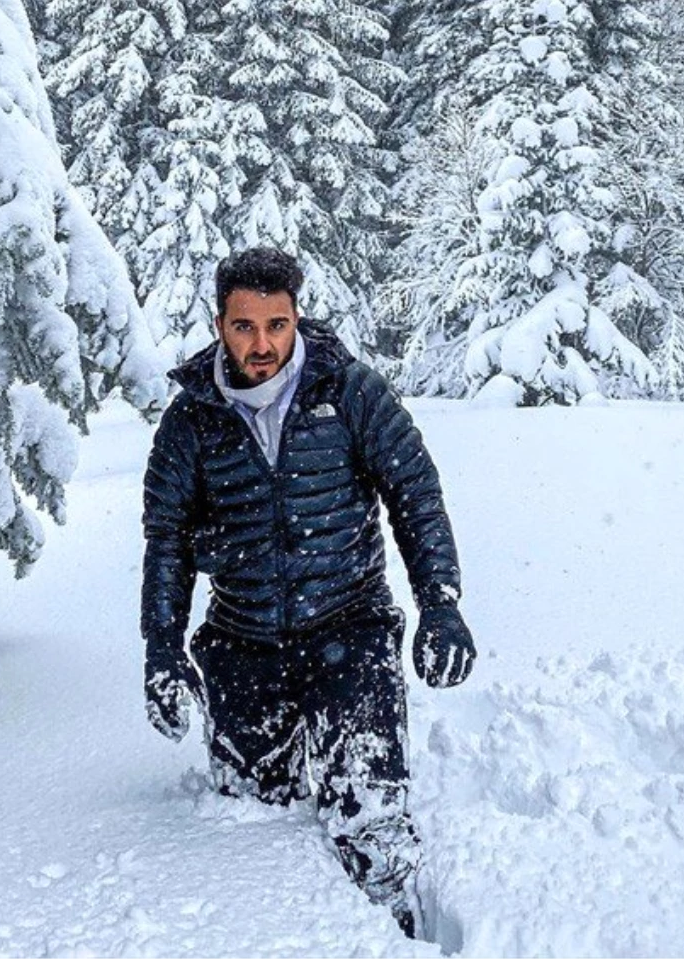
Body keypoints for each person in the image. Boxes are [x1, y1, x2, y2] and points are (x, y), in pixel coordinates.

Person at [140, 246, 475, 937]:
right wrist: (163, 651)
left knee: (369, 806)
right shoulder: (191, 419)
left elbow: (415, 494)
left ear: (298, 317)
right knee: (252, 810)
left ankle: (398, 929)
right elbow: (166, 537)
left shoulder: (349, 391)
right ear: (219, 323)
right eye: (243, 327)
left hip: (348, 627)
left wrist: (439, 602)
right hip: (241, 640)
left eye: (276, 325)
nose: (261, 345)